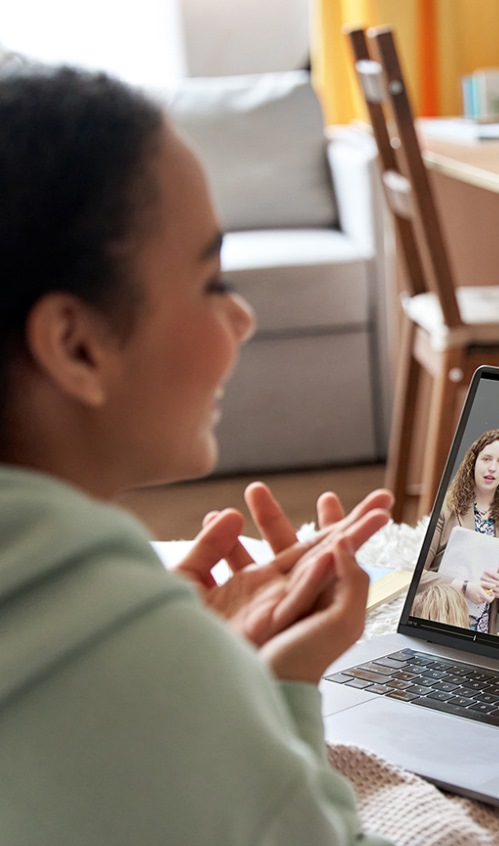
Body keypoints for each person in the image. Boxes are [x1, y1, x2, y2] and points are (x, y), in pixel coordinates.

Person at [0, 61, 395, 844]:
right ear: (76, 345)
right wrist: (264, 692)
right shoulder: (147, 667)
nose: (242, 318)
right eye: (213, 281)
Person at [418, 429, 499, 634]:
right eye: (486, 459)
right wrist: (464, 586)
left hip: (482, 632)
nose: (492, 468)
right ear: (473, 461)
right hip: (441, 620)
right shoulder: (446, 507)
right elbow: (415, 574)